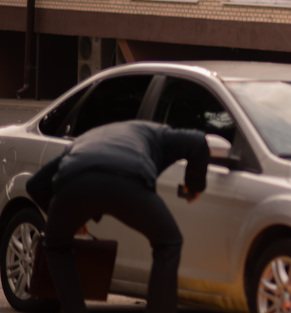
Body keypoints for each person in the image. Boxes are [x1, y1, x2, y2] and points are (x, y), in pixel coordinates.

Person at [26, 120, 213, 313]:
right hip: (127, 179)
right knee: (169, 242)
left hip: (73, 181)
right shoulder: (158, 133)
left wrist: (72, 219)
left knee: (56, 247)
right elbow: (199, 141)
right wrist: (194, 185)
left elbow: (35, 184)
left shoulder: (84, 140)